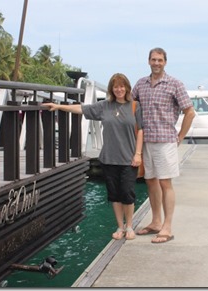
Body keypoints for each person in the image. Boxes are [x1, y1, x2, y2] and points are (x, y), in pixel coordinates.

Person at [42, 73, 143, 241]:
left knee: (127, 193)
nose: (119, 89)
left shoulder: (135, 106)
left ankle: (130, 226)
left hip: (129, 159)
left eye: (122, 86)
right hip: (108, 158)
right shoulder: (104, 106)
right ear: (112, 89)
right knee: (114, 195)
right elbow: (81, 109)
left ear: (127, 87)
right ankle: (120, 226)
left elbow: (141, 130)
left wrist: (138, 153)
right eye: (116, 86)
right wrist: (59, 107)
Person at [132, 47, 196, 243]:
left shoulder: (174, 84)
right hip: (146, 141)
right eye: (153, 60)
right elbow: (130, 106)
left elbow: (190, 112)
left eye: (160, 60)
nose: (156, 63)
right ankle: (156, 222)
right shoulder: (141, 84)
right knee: (150, 181)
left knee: (165, 183)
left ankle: (167, 227)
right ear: (148, 61)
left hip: (165, 140)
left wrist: (181, 136)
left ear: (165, 62)